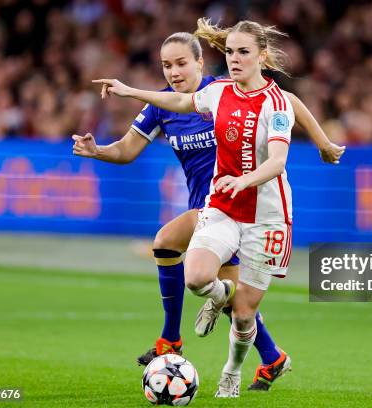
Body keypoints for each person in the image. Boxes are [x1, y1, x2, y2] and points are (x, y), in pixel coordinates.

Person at [76, 30, 344, 392]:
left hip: (235, 205)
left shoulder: (225, 90)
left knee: (176, 251)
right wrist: (98, 151)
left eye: (181, 63)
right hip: (214, 207)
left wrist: (323, 142)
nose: (174, 71)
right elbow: (125, 151)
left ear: (201, 62)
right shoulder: (163, 106)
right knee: (230, 297)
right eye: (166, 65)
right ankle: (270, 358)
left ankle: (177, 341)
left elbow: (288, 102)